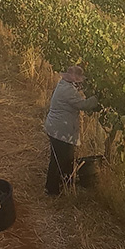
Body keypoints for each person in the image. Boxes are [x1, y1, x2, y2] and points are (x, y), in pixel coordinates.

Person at [43, 65, 100, 195]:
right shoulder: (67, 90)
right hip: (60, 130)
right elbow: (83, 105)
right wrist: (97, 98)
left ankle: (64, 183)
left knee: (62, 157)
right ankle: (51, 189)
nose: (80, 82)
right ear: (72, 78)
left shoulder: (64, 84)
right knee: (61, 158)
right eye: (78, 79)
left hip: (57, 128)